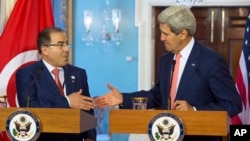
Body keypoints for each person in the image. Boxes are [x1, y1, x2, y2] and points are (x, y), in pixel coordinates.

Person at [95, 5, 242, 141]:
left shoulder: (211, 61)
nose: (161, 38)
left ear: (183, 34)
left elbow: (233, 104)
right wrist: (123, 98)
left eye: (166, 33)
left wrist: (195, 110)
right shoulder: (166, 60)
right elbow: (157, 95)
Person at [16, 27, 96, 141]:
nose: (66, 49)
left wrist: (90, 137)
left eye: (67, 44)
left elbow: (88, 109)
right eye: (60, 45)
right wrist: (68, 101)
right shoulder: (28, 74)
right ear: (45, 50)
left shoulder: (78, 74)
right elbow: (29, 107)